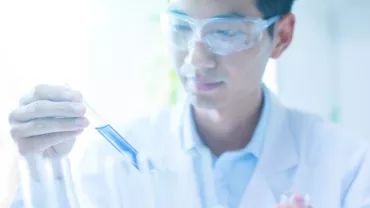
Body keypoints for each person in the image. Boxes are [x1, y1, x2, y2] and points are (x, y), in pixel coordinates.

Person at [7, 0, 370, 207]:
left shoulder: (347, 168)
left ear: (282, 36)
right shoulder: (112, 164)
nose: (196, 59)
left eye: (226, 32)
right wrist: (41, 168)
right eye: (181, 28)